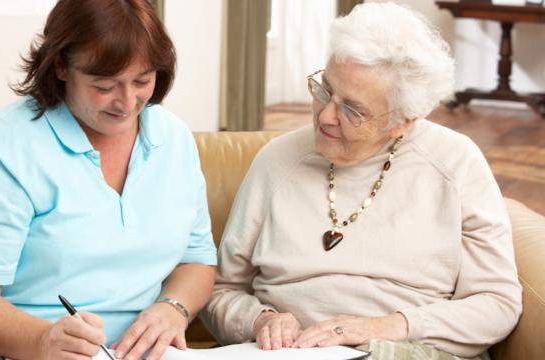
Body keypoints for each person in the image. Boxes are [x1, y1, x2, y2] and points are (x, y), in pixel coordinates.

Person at [201, 3, 521, 359]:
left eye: (353, 109)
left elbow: (497, 303)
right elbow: (218, 290)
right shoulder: (277, 160)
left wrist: (390, 326)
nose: (325, 115)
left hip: (404, 349)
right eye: (324, 90)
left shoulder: (455, 163)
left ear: (404, 120)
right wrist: (259, 320)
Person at [0, 1, 216, 359]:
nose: (127, 102)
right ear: (60, 66)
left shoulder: (173, 139)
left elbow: (196, 260)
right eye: (105, 85)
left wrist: (173, 307)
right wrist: (44, 341)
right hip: (2, 349)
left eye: (142, 80)